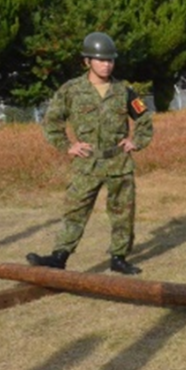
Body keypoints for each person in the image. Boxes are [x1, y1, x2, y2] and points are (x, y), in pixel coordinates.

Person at [26, 32, 153, 275]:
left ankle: (119, 258)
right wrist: (67, 145)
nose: (107, 64)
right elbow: (51, 121)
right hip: (87, 163)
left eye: (110, 60)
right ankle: (59, 256)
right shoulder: (71, 90)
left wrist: (136, 141)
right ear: (87, 61)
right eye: (101, 60)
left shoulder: (124, 91)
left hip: (118, 162)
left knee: (122, 214)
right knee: (75, 210)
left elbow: (144, 118)